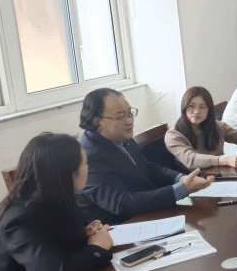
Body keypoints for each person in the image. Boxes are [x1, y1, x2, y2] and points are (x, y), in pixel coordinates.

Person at [0, 133, 114, 271]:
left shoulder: (53, 195)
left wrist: (85, 232)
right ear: (67, 173)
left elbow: (55, 239)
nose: (89, 167)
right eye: (86, 163)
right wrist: (96, 248)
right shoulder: (17, 219)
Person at [77, 88, 213, 224]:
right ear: (97, 121)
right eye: (120, 117)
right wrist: (179, 190)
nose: (129, 121)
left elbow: (147, 168)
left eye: (130, 113)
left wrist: (180, 178)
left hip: (146, 215)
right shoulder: (89, 156)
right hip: (120, 226)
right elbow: (122, 203)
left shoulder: (120, 137)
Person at [165, 86, 237, 170]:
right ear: (184, 108)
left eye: (202, 107)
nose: (196, 111)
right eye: (191, 106)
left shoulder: (217, 126)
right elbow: (191, 159)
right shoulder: (173, 135)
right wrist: (224, 160)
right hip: (194, 179)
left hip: (219, 173)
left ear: (209, 110)